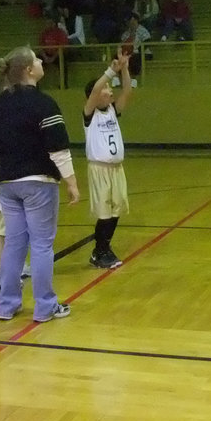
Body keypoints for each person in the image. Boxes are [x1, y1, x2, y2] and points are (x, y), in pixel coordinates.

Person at [0, 47, 79, 323]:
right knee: (41, 245)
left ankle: (7, 305)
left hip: (6, 183)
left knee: (14, 243)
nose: (41, 62)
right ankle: (45, 306)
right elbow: (58, 149)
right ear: (28, 70)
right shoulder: (44, 103)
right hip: (38, 182)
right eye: (37, 59)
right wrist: (72, 182)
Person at [84, 55, 133, 269]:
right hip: (99, 169)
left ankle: (104, 247)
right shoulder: (89, 114)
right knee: (104, 213)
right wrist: (110, 71)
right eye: (106, 89)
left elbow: (128, 90)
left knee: (116, 211)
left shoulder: (113, 110)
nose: (109, 91)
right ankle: (99, 251)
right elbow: (96, 89)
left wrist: (124, 69)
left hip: (116, 169)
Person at [118, 13, 150, 81]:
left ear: (136, 20)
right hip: (128, 53)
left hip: (144, 53)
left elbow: (147, 42)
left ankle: (134, 78)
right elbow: (122, 43)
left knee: (135, 58)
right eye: (129, 21)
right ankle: (120, 78)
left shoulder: (143, 30)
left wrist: (138, 50)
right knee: (118, 57)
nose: (131, 22)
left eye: (133, 20)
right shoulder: (126, 33)